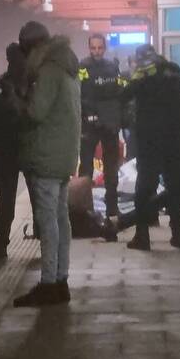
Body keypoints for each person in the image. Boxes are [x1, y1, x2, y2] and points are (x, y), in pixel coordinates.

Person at [13, 21, 81, 307]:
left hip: (47, 156)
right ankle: (61, 280)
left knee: (48, 222)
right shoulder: (67, 67)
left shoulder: (49, 71)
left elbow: (36, 112)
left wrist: (18, 98)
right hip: (65, 155)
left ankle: (48, 283)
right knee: (61, 220)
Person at [122, 44, 180, 251]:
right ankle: (178, 234)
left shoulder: (142, 73)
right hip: (175, 137)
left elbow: (125, 95)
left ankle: (142, 236)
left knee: (144, 186)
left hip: (149, 139)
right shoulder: (175, 70)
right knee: (175, 185)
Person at [0, 43, 29, 259]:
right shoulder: (33, 85)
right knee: (38, 197)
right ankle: (43, 239)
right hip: (29, 148)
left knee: (6, 198)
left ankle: (0, 243)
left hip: (7, 150)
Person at [78, 34, 124, 235]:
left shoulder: (113, 67)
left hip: (108, 123)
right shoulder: (82, 67)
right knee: (86, 166)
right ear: (89, 48)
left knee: (111, 165)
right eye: (93, 47)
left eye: (99, 47)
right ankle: (84, 207)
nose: (96, 51)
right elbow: (80, 92)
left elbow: (119, 91)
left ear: (104, 48)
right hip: (89, 123)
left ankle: (112, 206)